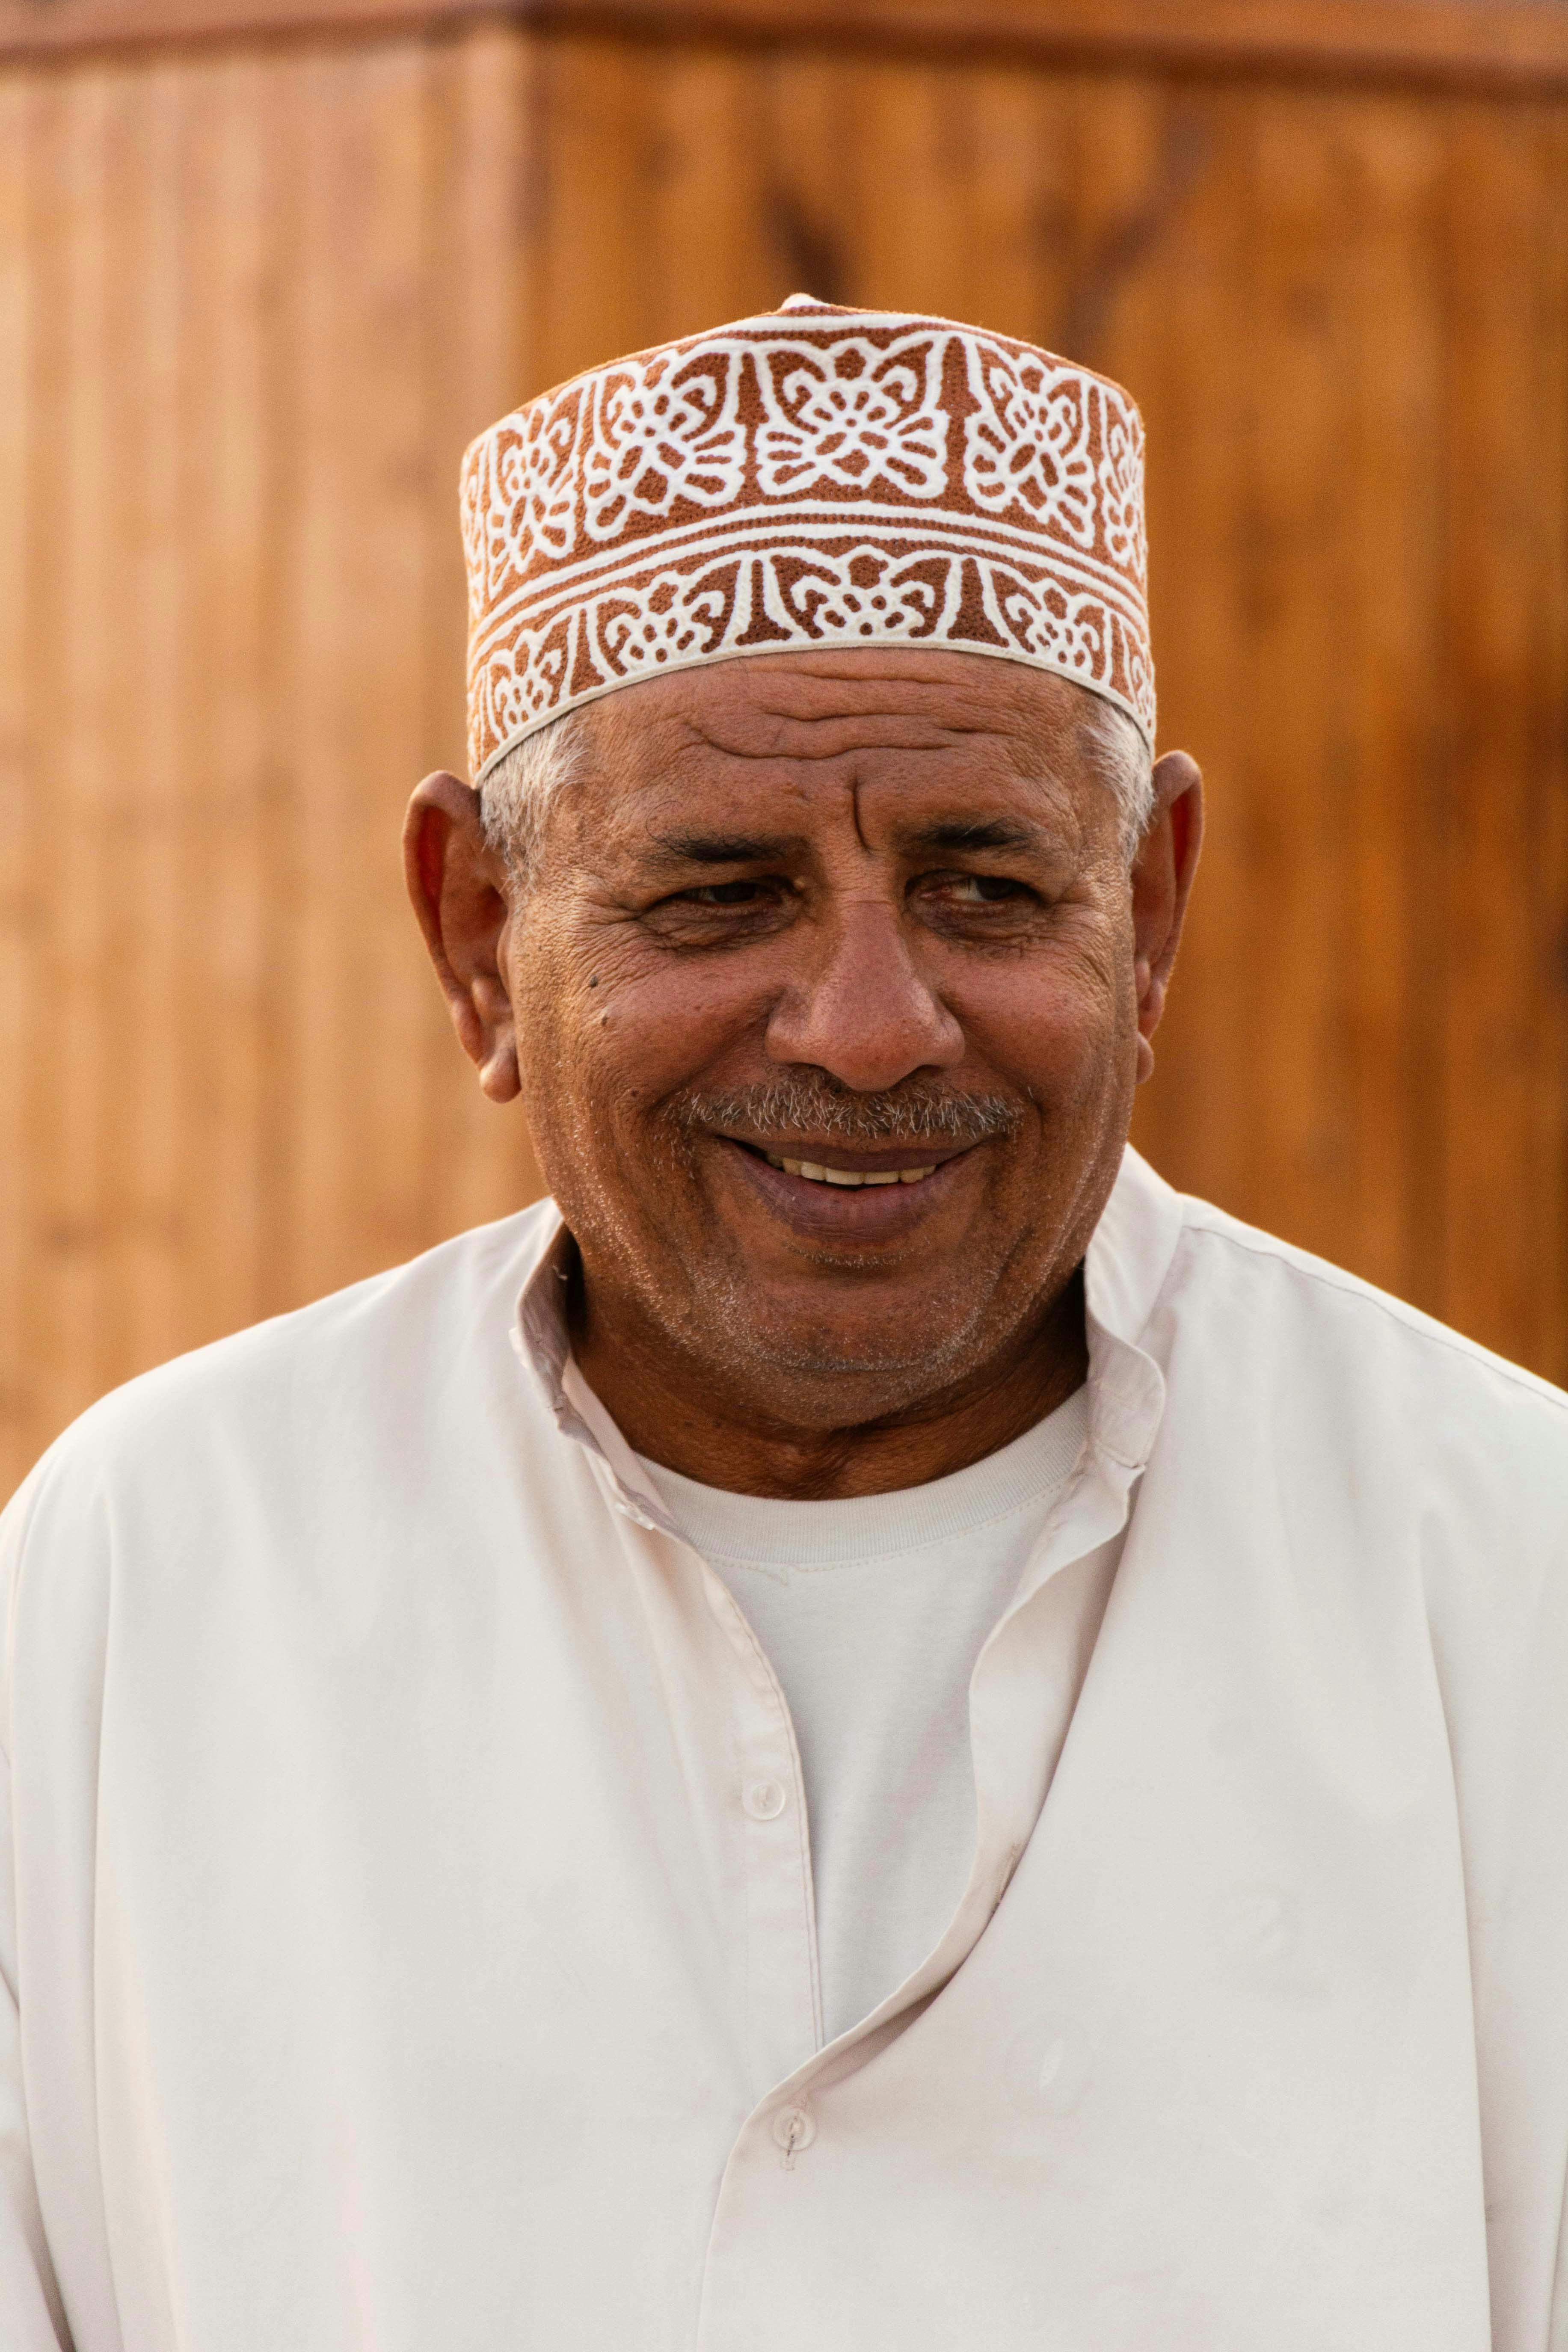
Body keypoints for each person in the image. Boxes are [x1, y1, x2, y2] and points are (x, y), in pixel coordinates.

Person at [2, 295, 1564, 2352]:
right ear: (477, 934)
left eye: (985, 888)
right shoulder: (166, 1565)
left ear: (1150, 910)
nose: (861, 1027)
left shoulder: (1501, 1561)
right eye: (714, 894)